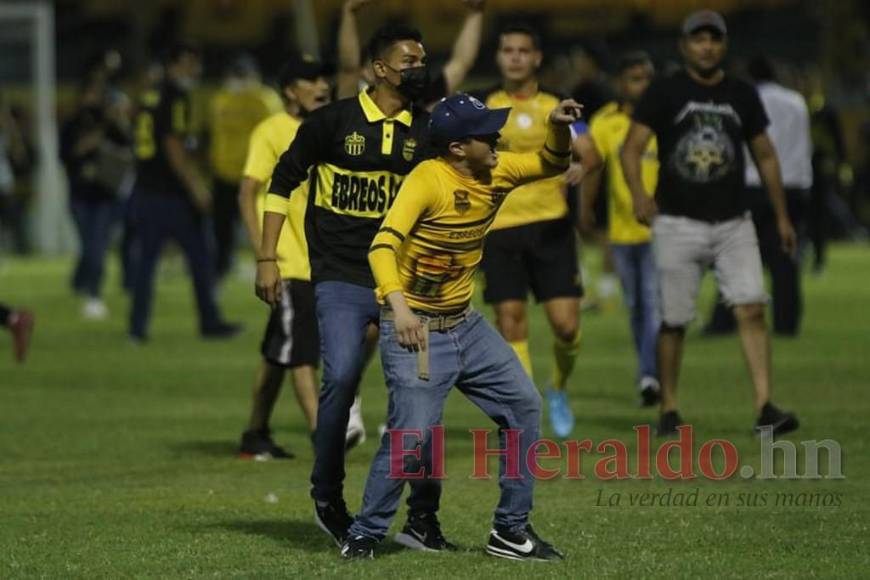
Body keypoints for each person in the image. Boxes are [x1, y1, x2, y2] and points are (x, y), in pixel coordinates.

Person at [340, 93, 580, 561]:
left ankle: (510, 532)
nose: (497, 137)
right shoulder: (427, 181)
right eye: (486, 132)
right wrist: (401, 309)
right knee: (413, 436)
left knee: (523, 404)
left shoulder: (497, 169)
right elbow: (381, 247)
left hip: (466, 325)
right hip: (420, 330)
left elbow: (552, 163)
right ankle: (365, 533)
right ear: (456, 148)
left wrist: (555, 125)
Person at [255, 24, 439, 548]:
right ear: (379, 69)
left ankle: (424, 515)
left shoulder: (426, 131)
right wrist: (267, 256)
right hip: (339, 276)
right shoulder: (331, 123)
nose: (419, 69)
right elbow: (282, 181)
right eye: (409, 60)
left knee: (423, 394)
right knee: (338, 378)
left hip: (402, 283)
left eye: (423, 60)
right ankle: (327, 495)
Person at [621, 10, 800, 436]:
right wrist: (640, 195)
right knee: (675, 320)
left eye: (714, 40)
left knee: (752, 307)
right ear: (684, 45)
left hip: (734, 222)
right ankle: (669, 408)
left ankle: (764, 408)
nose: (707, 47)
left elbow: (766, 154)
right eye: (698, 39)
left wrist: (781, 215)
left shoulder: (741, 93)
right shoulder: (664, 91)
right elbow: (631, 149)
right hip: (677, 222)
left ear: (724, 45)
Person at [473, 24, 583, 438]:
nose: (515, 57)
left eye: (523, 50)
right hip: (499, 228)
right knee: (511, 320)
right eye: (507, 50)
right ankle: (526, 408)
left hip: (550, 227)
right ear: (499, 57)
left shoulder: (556, 105)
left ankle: (557, 387)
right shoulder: (484, 107)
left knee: (566, 327)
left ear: (537, 58)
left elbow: (589, 152)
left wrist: (581, 165)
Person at [236, 54, 332, 459]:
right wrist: (265, 255)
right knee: (302, 351)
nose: (322, 86)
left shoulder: (326, 130)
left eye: (322, 78)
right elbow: (247, 190)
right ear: (291, 90)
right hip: (289, 261)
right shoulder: (271, 130)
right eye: (311, 79)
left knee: (280, 351)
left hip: (319, 257)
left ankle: (255, 432)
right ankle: (322, 437)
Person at [129, 42, 241, 342]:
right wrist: (196, 187)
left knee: (147, 262)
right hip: (171, 194)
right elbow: (172, 145)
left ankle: (137, 329)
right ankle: (209, 321)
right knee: (200, 256)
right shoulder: (175, 96)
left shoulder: (150, 94)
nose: (196, 69)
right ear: (174, 65)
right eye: (190, 63)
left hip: (146, 189)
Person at [704, 55, 813, 337]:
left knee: (737, 255)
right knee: (785, 259)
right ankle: (786, 324)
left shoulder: (745, 100)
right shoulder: (797, 101)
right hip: (794, 185)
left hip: (754, 185)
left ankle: (723, 321)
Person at [577, 51, 660, 405]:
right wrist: (583, 209)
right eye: (636, 78)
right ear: (620, 84)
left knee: (653, 305)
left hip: (661, 230)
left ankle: (650, 375)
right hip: (623, 231)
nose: (643, 85)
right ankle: (650, 371)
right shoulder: (605, 122)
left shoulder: (664, 118)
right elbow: (592, 169)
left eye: (647, 78)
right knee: (637, 306)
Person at [61, 75, 133, 320]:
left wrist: (115, 121)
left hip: (104, 195)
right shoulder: (72, 125)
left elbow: (130, 147)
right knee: (90, 247)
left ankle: (93, 294)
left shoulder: (108, 124)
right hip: (80, 195)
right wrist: (90, 144)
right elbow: (67, 156)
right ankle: (81, 283)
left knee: (97, 247)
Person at [208, 54, 281, 282]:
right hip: (225, 175)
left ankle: (269, 269)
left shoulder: (265, 100)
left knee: (261, 228)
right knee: (223, 230)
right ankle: (222, 269)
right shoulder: (221, 99)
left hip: (256, 177)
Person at [335, 0, 485, 103]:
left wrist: (475, 13)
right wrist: (349, 12)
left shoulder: (419, 100)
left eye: (419, 61)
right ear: (369, 71)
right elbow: (349, 67)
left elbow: (461, 63)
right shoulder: (353, 103)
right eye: (407, 61)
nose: (416, 68)